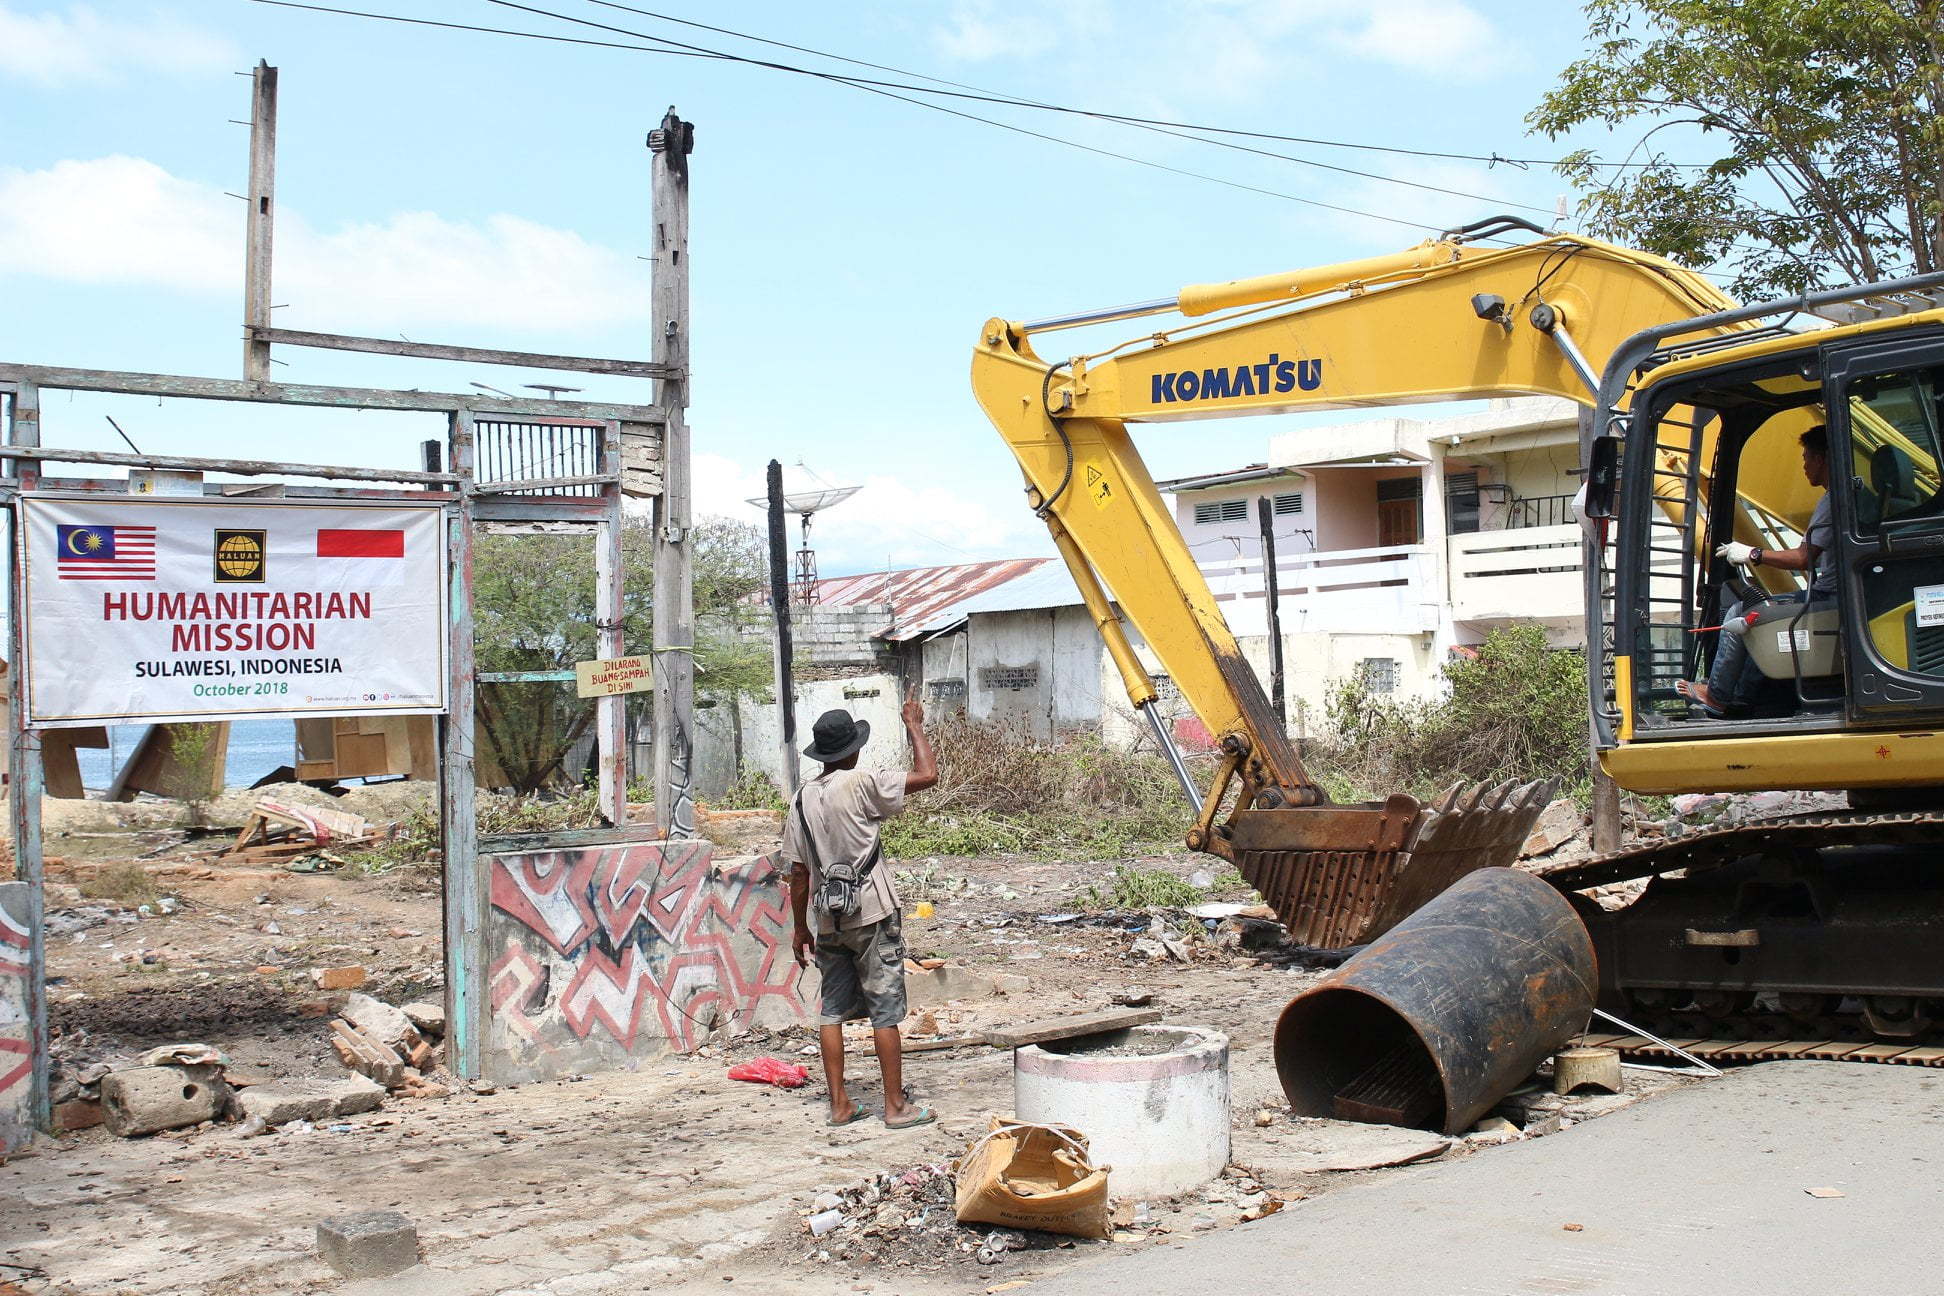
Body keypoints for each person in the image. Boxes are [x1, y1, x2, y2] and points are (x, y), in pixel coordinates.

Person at [784, 690, 938, 1129]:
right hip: (872, 913)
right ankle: (895, 1107)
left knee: (831, 1012)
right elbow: (928, 774)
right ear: (853, 750)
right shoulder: (865, 782)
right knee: (885, 1011)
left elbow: (798, 873)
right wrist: (913, 724)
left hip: (828, 919)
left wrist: (801, 929)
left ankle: (840, 1106)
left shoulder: (802, 798)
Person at [1680, 425, 1835, 715]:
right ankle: (1741, 697)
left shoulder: (1832, 499)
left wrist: (1753, 553)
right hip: (1835, 594)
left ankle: (1718, 695)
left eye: (1806, 457)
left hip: (1830, 596)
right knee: (1761, 613)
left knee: (1741, 613)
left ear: (1822, 458)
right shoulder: (1850, 494)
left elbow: (1803, 558)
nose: (1803, 465)